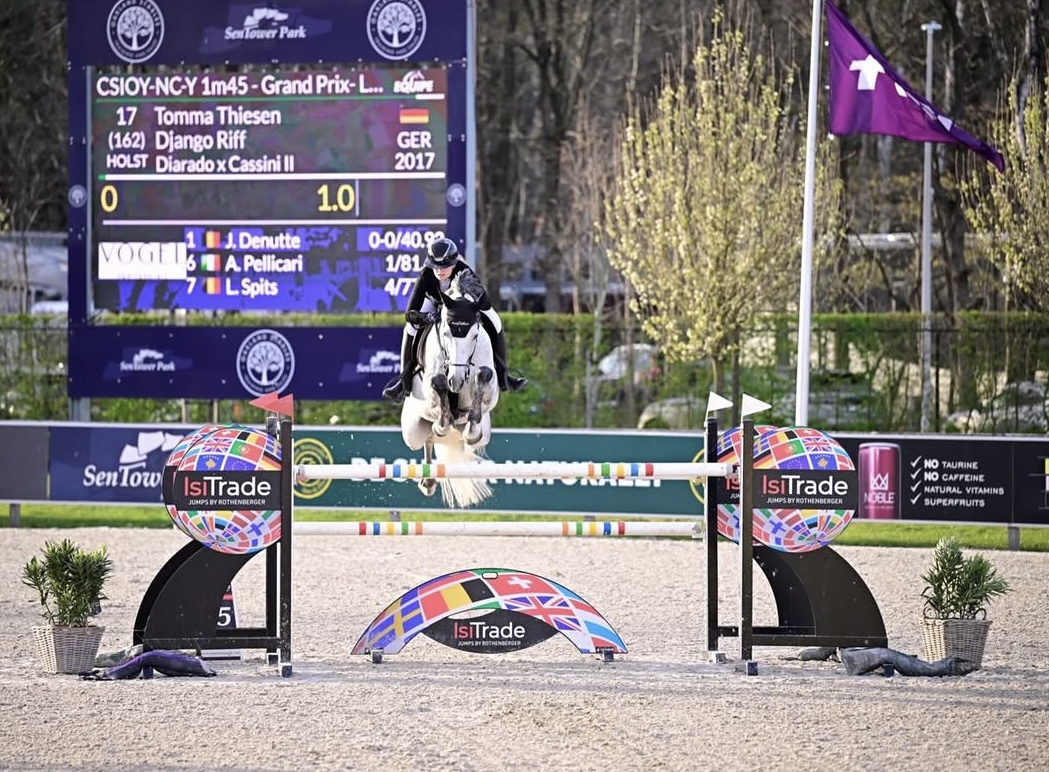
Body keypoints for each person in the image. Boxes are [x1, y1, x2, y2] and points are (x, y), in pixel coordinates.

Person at [382, 237, 527, 403]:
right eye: (435, 266)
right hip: (434, 303)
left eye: (444, 266)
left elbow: (484, 301)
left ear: (454, 262)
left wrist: (468, 305)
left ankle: (503, 376)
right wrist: (425, 317)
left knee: (495, 321)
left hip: (462, 306)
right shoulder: (425, 275)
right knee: (409, 328)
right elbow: (410, 312)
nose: (439, 271)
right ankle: (404, 381)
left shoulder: (464, 271)